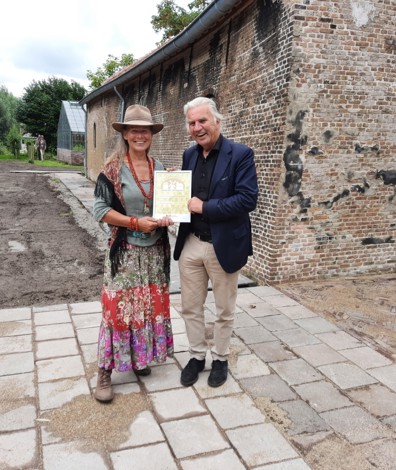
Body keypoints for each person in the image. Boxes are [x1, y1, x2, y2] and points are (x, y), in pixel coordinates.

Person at [174, 97, 258, 388]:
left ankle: (220, 358)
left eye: (202, 121)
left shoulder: (240, 154)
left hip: (223, 245)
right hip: (192, 243)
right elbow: (185, 197)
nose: (197, 128)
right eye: (192, 123)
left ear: (217, 121)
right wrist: (173, 192)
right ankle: (197, 356)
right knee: (190, 307)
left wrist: (205, 207)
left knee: (224, 309)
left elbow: (248, 199)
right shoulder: (189, 155)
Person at [93, 104, 174, 403]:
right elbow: (100, 211)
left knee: (147, 306)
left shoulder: (162, 169)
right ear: (125, 134)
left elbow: (167, 206)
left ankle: (139, 358)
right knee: (118, 310)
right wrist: (134, 222)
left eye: (146, 130)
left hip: (154, 252)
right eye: (134, 130)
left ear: (152, 134)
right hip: (125, 252)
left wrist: (168, 216)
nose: (140, 135)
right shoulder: (112, 169)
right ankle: (105, 370)